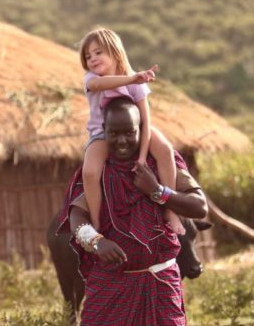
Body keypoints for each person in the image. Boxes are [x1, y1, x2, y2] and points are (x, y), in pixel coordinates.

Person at [57, 97, 208, 326]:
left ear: (142, 132)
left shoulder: (161, 165)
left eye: (130, 132)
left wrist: (157, 191)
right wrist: (95, 241)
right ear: (103, 132)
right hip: (111, 285)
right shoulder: (96, 172)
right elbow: (76, 217)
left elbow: (198, 205)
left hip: (159, 283)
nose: (122, 141)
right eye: (114, 133)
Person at [78, 27, 184, 235]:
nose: (92, 59)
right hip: (102, 134)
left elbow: (146, 120)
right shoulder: (91, 79)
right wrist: (132, 79)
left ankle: (171, 210)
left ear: (115, 52)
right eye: (88, 56)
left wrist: (143, 157)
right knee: (89, 172)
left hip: (138, 130)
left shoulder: (137, 83)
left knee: (164, 149)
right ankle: (96, 222)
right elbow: (100, 84)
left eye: (98, 52)